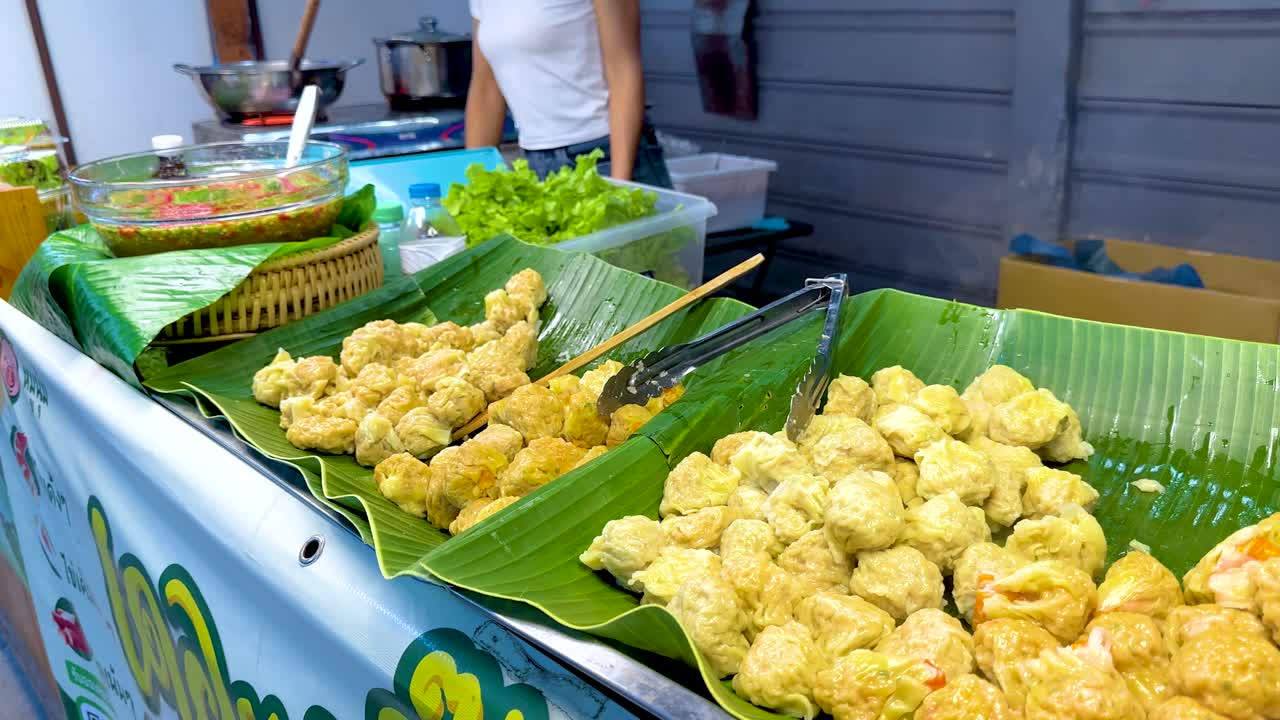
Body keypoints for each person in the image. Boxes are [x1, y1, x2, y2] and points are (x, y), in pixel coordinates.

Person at [464, 0, 673, 187]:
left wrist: (620, 185)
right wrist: (474, 185)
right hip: (536, 160)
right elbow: (485, 88)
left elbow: (624, 73)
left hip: (605, 154)